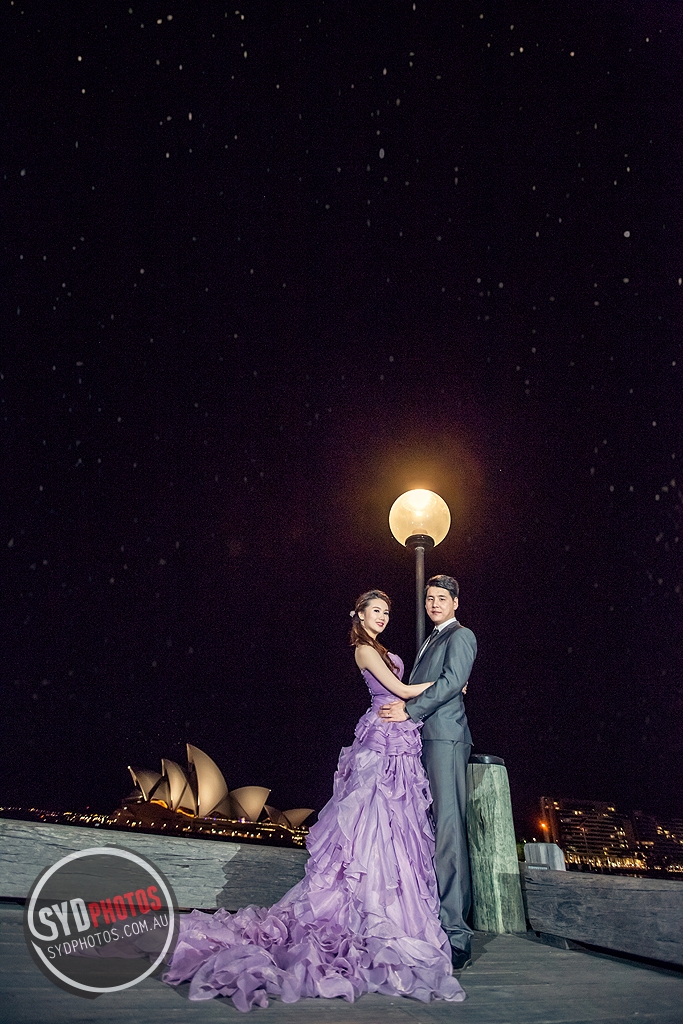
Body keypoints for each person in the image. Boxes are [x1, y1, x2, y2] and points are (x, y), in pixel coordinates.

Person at [163, 589, 466, 1011]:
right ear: (359, 615)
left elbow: (402, 688)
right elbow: (399, 688)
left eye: (386, 612)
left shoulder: (379, 647)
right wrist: (450, 684)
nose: (382, 617)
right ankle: (370, 904)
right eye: (375, 611)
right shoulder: (364, 650)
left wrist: (434, 689)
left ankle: (391, 902)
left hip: (398, 734)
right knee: (372, 818)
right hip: (382, 736)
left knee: (395, 822)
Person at [378, 575, 477, 971]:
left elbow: (452, 682)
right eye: (429, 598)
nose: (434, 604)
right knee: (426, 830)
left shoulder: (461, 636)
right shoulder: (430, 641)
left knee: (449, 830)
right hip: (423, 740)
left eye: (441, 598)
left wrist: (409, 711)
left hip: (446, 739)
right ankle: (430, 922)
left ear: (455, 602)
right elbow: (429, 683)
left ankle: (457, 934)